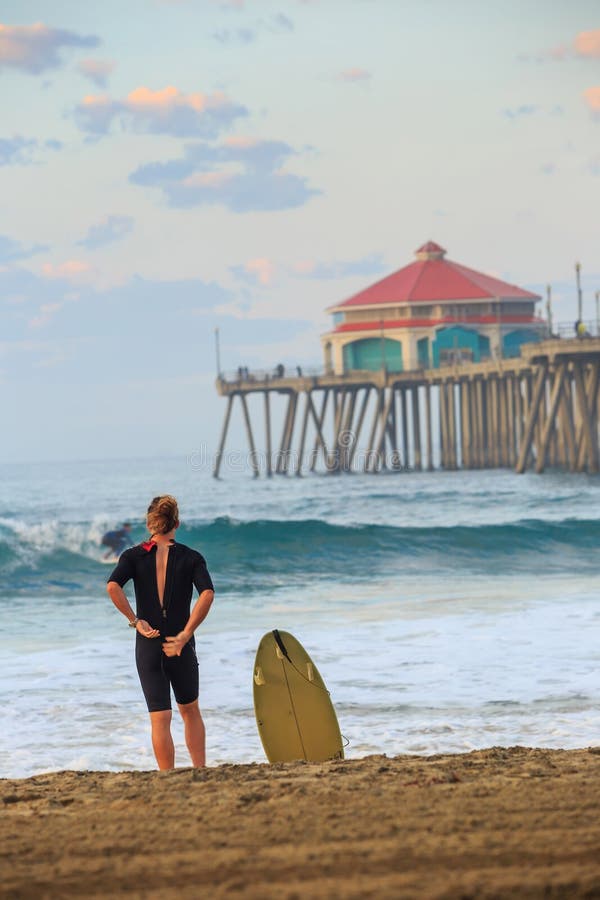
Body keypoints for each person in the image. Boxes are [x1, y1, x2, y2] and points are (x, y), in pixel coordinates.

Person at [106, 495, 214, 769]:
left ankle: (167, 776)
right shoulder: (191, 557)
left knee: (160, 718)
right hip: (179, 643)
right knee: (190, 711)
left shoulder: (133, 556)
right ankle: (200, 771)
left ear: (150, 523)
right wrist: (186, 633)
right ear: (176, 522)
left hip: (148, 643)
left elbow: (112, 586)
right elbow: (207, 594)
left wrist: (135, 621)